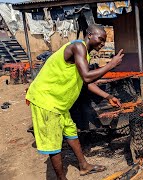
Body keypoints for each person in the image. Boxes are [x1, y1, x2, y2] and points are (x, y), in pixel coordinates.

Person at [26, 24, 124, 179]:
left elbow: (86, 81)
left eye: (105, 41)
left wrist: (108, 96)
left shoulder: (85, 55)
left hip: (59, 104)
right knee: (53, 144)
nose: (103, 43)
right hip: (46, 101)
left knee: (71, 132)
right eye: (101, 39)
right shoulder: (78, 46)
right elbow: (87, 76)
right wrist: (110, 65)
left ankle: (84, 166)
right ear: (90, 34)